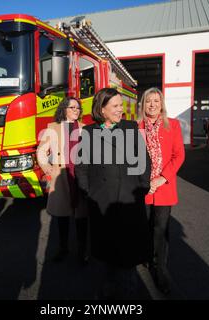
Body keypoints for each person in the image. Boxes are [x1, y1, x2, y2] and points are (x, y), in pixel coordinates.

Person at [75, 88, 152, 298]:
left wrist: (141, 189)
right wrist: (89, 194)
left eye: (121, 105)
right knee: (104, 263)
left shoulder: (130, 127)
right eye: (116, 106)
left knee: (127, 265)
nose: (121, 110)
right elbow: (81, 168)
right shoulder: (90, 133)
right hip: (101, 204)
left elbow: (144, 162)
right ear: (102, 109)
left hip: (128, 202)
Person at [138, 87, 185, 295]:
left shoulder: (172, 125)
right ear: (143, 104)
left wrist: (161, 177)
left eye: (156, 101)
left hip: (163, 186)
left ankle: (161, 270)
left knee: (161, 229)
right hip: (143, 187)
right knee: (146, 227)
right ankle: (148, 257)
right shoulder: (136, 127)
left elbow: (179, 155)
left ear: (162, 103)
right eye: (149, 101)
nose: (152, 105)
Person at [36, 97, 88, 265]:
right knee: (62, 216)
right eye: (72, 107)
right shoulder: (52, 128)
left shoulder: (85, 129)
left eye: (78, 108)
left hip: (80, 176)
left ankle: (82, 251)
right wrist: (46, 167)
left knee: (81, 217)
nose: (76, 110)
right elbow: (41, 151)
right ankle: (63, 248)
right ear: (64, 109)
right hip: (61, 175)